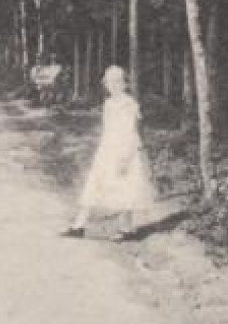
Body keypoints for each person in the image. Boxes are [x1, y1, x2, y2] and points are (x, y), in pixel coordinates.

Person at [62, 66, 158, 240]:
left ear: (125, 84)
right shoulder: (108, 103)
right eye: (110, 82)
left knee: (125, 189)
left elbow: (131, 132)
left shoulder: (129, 104)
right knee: (94, 185)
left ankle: (126, 229)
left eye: (117, 81)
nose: (113, 85)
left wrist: (125, 158)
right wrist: (104, 151)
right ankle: (78, 226)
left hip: (124, 151)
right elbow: (108, 130)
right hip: (107, 150)